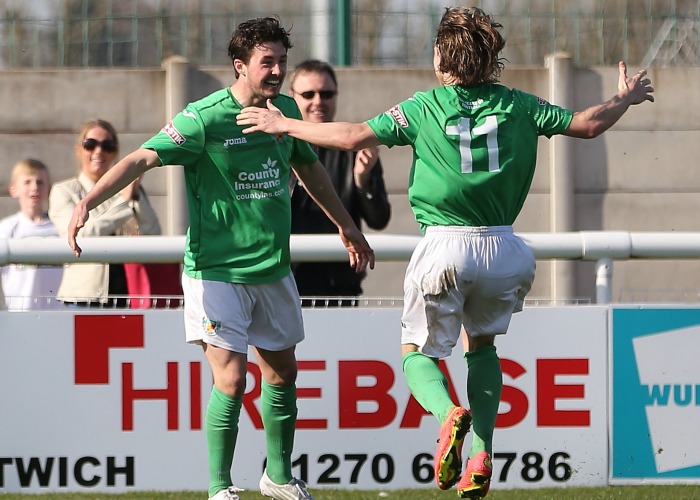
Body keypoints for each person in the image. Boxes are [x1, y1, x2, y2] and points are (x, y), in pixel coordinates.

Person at [236, 6, 654, 498]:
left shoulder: (425, 106)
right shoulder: (519, 104)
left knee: (415, 354)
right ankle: (482, 453)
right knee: (483, 348)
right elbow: (586, 124)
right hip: (503, 248)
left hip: (446, 247)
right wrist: (623, 99)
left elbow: (350, 136)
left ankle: (448, 413)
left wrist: (282, 125)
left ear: (441, 56)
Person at [64, 17, 374, 500]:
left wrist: (346, 224)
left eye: (281, 61)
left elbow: (310, 170)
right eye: (266, 61)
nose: (276, 71)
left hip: (272, 268)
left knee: (282, 374)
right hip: (216, 273)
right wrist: (89, 201)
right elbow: (143, 157)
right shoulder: (203, 117)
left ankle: (277, 477)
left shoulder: (285, 112)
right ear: (240, 66)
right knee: (231, 378)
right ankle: (220, 488)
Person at [289, 60, 391, 307]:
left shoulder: (355, 147)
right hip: (286, 279)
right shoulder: (279, 145)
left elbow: (379, 220)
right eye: (308, 94)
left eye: (326, 94)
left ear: (336, 95)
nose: (317, 101)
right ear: (291, 97)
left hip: (339, 283)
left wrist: (362, 181)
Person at [49, 118, 162, 308]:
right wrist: (125, 203)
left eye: (107, 145)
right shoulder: (64, 191)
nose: (98, 151)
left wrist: (135, 196)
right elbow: (82, 233)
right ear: (79, 150)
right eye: (90, 144)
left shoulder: (126, 191)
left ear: (115, 152)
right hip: (83, 299)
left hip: (127, 297)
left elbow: (152, 232)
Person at [0, 159, 63, 311]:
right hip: (19, 312)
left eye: (40, 182)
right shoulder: (7, 228)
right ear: (13, 189)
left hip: (57, 312)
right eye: (27, 182)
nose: (34, 187)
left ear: (48, 189)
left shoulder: (59, 227)